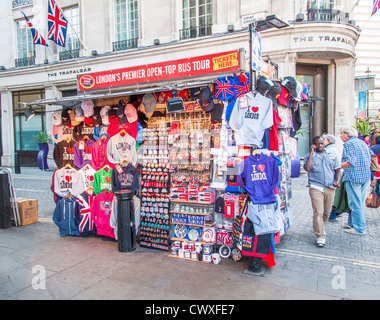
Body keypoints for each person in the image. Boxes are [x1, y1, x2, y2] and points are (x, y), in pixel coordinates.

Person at [304, 136, 341, 247]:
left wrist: (337, 180)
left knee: (326, 213)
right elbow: (307, 168)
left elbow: (338, 169)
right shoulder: (309, 156)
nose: (320, 146)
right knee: (318, 212)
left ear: (324, 143)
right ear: (313, 145)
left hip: (330, 186)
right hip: (316, 186)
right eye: (317, 144)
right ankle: (320, 235)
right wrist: (311, 154)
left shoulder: (332, 154)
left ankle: (321, 228)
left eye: (321, 143)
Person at [340, 127, 372, 235]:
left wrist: (336, 167)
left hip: (354, 176)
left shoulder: (348, 144)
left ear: (347, 134)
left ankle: (359, 228)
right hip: (364, 176)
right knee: (358, 202)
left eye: (341, 133)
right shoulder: (362, 143)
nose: (340, 136)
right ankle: (352, 222)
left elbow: (350, 161)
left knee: (355, 203)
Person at [322, 134, 344, 222]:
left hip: (329, 179)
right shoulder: (332, 149)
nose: (322, 141)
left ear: (328, 141)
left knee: (330, 200)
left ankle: (331, 215)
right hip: (331, 178)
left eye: (323, 139)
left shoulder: (330, 150)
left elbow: (336, 167)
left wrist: (336, 180)